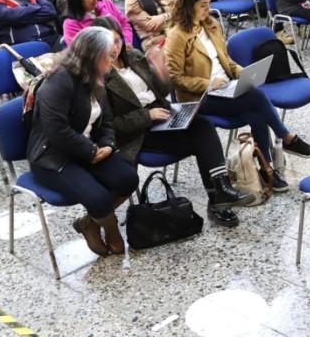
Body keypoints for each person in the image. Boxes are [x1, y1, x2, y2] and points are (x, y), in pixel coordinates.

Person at [92, 16, 254, 227]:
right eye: (109, 42)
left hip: (161, 115)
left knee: (203, 125)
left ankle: (220, 191)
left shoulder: (132, 56)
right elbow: (109, 126)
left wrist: (162, 73)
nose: (115, 47)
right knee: (202, 137)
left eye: (118, 40)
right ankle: (217, 199)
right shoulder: (99, 76)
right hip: (138, 133)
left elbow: (161, 92)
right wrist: (146, 116)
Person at [164, 0, 310, 192]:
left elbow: (225, 60)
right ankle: (286, 137)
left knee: (256, 113)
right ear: (188, 5)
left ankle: (266, 171)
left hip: (224, 88)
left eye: (209, 3)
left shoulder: (210, 25)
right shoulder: (176, 36)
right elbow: (175, 78)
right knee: (255, 98)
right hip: (199, 98)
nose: (208, 9)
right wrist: (208, 84)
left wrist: (242, 73)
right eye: (203, 5)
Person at [26, 26, 139, 256]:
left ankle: (90, 223)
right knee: (97, 198)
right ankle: (112, 229)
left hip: (88, 147)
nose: (113, 58)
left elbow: (106, 118)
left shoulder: (95, 75)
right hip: (53, 155)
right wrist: (90, 151)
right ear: (93, 55)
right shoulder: (59, 81)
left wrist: (107, 145)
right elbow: (57, 131)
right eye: (109, 54)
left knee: (128, 179)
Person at [62, 0, 133, 45]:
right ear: (78, 1)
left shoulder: (105, 2)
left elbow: (124, 23)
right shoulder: (70, 24)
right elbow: (82, 51)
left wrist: (126, 42)